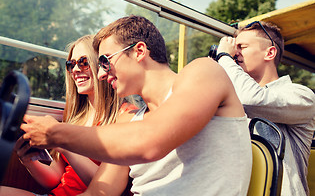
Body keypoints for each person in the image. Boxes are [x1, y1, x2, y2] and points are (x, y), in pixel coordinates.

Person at [21, 15, 252, 195]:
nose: (100, 74)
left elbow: (150, 141)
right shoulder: (129, 122)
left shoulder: (204, 71)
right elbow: (98, 193)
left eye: (104, 61)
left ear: (139, 51)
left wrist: (56, 133)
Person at [0, 35, 136, 196]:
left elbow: (104, 188)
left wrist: (63, 143)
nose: (76, 70)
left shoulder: (125, 116)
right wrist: (28, 160)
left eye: (84, 62)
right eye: (71, 64)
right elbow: (56, 179)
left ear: (102, 66)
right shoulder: (76, 116)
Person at [216, 21, 315, 196]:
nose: (234, 54)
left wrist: (223, 56)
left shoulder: (302, 95)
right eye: (233, 48)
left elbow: (252, 100)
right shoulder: (234, 95)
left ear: (269, 53)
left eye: (242, 47)